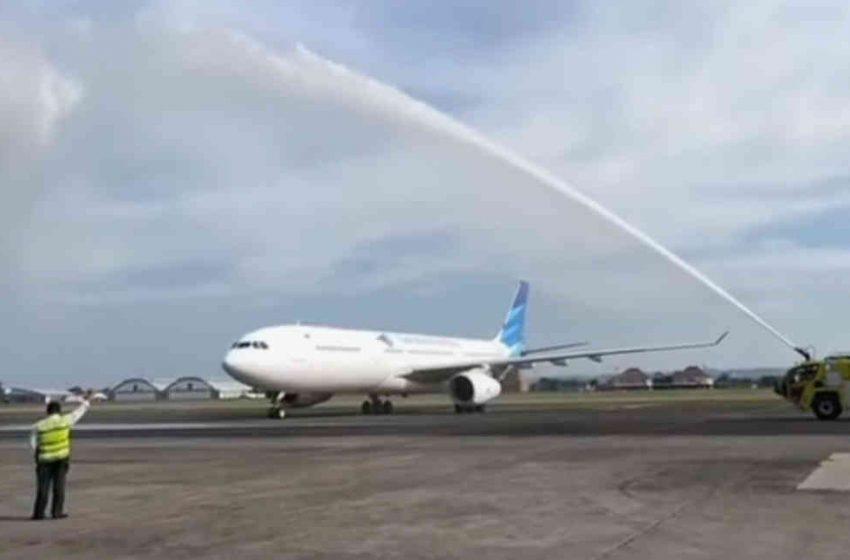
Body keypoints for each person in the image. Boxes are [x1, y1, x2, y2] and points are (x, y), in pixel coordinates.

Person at [30, 396, 90, 520]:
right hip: (61, 459)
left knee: (43, 488)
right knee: (59, 486)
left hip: (44, 460)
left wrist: (39, 453)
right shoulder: (65, 421)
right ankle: (56, 512)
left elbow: (33, 444)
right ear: (59, 411)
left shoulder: (39, 425)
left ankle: (39, 513)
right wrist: (86, 402)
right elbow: (78, 413)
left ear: (48, 412)